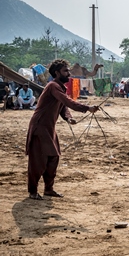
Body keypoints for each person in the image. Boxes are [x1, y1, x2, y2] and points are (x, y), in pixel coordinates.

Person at [26, 59, 99, 200]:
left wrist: (67, 118)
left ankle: (48, 189)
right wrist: (87, 108)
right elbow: (66, 101)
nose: (69, 73)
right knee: (38, 160)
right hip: (40, 126)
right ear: (57, 73)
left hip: (49, 127)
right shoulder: (53, 86)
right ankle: (33, 191)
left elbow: (63, 106)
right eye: (65, 71)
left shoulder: (59, 87)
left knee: (54, 157)